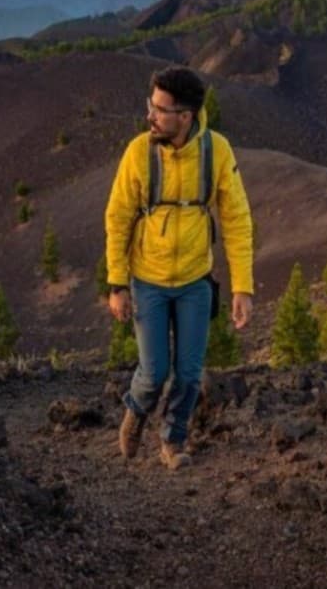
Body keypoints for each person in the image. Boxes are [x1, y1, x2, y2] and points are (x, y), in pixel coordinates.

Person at [105, 65, 254, 469]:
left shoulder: (217, 152)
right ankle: (136, 410)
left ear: (185, 116)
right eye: (150, 105)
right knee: (154, 373)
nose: (149, 115)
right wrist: (117, 283)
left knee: (189, 375)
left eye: (159, 109)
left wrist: (243, 287)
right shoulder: (139, 152)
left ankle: (173, 439)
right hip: (147, 280)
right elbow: (118, 217)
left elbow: (237, 219)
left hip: (194, 281)